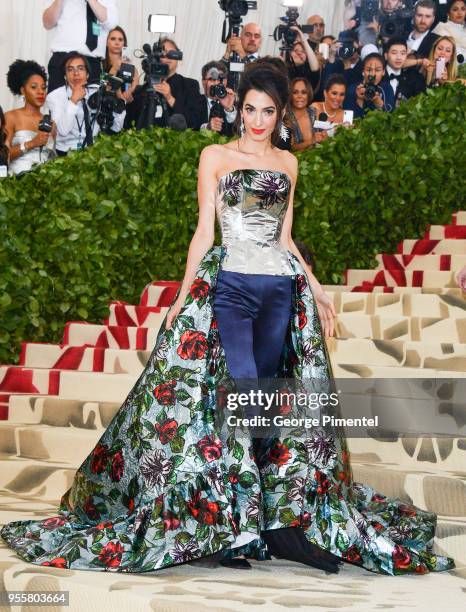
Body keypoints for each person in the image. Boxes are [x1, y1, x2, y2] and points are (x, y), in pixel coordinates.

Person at [0, 61, 455, 578]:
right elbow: (203, 234)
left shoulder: (288, 164)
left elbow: (285, 240)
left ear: (281, 112)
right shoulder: (214, 156)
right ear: (237, 107)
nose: (258, 120)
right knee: (238, 393)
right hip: (232, 289)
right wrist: (179, 298)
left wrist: (316, 287)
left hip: (279, 292)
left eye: (268, 110)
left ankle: (274, 526)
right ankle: (231, 525)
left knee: (266, 401)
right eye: (250, 109)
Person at [47, 51, 125, 156]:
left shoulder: (97, 92)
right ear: (65, 76)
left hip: (93, 151)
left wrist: (118, 105)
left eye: (80, 68)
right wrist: (73, 100)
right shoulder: (55, 96)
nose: (76, 73)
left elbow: (117, 128)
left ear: (87, 74)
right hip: (65, 153)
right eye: (70, 69)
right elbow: (63, 131)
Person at [125, 38, 204, 130]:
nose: (167, 57)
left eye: (171, 53)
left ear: (178, 56)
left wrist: (170, 98)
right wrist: (129, 101)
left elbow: (194, 121)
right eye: (163, 53)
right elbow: (131, 123)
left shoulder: (190, 85)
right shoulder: (144, 89)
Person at [43, 0, 119, 93]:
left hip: (91, 62)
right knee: (57, 104)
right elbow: (47, 23)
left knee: (91, 105)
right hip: (62, 59)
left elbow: (111, 22)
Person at [4, 60, 56, 175]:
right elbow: (3, 157)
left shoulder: (51, 124)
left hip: (46, 184)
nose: (40, 92)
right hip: (17, 185)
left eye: (43, 88)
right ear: (23, 90)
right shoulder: (11, 117)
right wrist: (31, 143)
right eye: (34, 87)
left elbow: (53, 159)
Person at [344, 52, 395, 118]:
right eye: (369, 70)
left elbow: (391, 116)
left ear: (383, 72)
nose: (372, 74)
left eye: (377, 70)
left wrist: (378, 102)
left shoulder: (387, 88)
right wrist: (359, 100)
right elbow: (348, 119)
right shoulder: (353, 89)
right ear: (363, 71)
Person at [382, 37, 426, 105]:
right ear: (386, 56)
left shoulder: (414, 78)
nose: (399, 58)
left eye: (403, 53)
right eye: (394, 53)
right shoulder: (378, 75)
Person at [199, 62, 237, 137]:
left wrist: (229, 109)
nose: (216, 83)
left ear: (225, 81)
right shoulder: (192, 101)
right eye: (212, 79)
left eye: (220, 79)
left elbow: (238, 132)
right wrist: (207, 127)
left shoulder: (235, 103)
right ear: (203, 82)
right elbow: (190, 128)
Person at [104, 26, 139, 104]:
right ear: (106, 42)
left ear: (124, 43)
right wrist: (114, 69)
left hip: (127, 107)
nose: (117, 43)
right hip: (106, 105)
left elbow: (136, 82)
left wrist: (129, 92)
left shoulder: (129, 64)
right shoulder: (99, 64)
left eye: (120, 39)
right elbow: (106, 88)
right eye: (113, 39)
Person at [284, 27, 321, 93]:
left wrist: (302, 38)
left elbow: (315, 68)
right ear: (289, 54)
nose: (299, 53)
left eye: (303, 51)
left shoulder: (309, 71)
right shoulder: (284, 70)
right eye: (296, 50)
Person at [286, 78, 317, 151]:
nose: (299, 96)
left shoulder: (314, 112)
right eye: (295, 92)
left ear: (308, 94)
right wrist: (311, 141)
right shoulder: (286, 118)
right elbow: (290, 148)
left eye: (303, 92)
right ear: (290, 95)